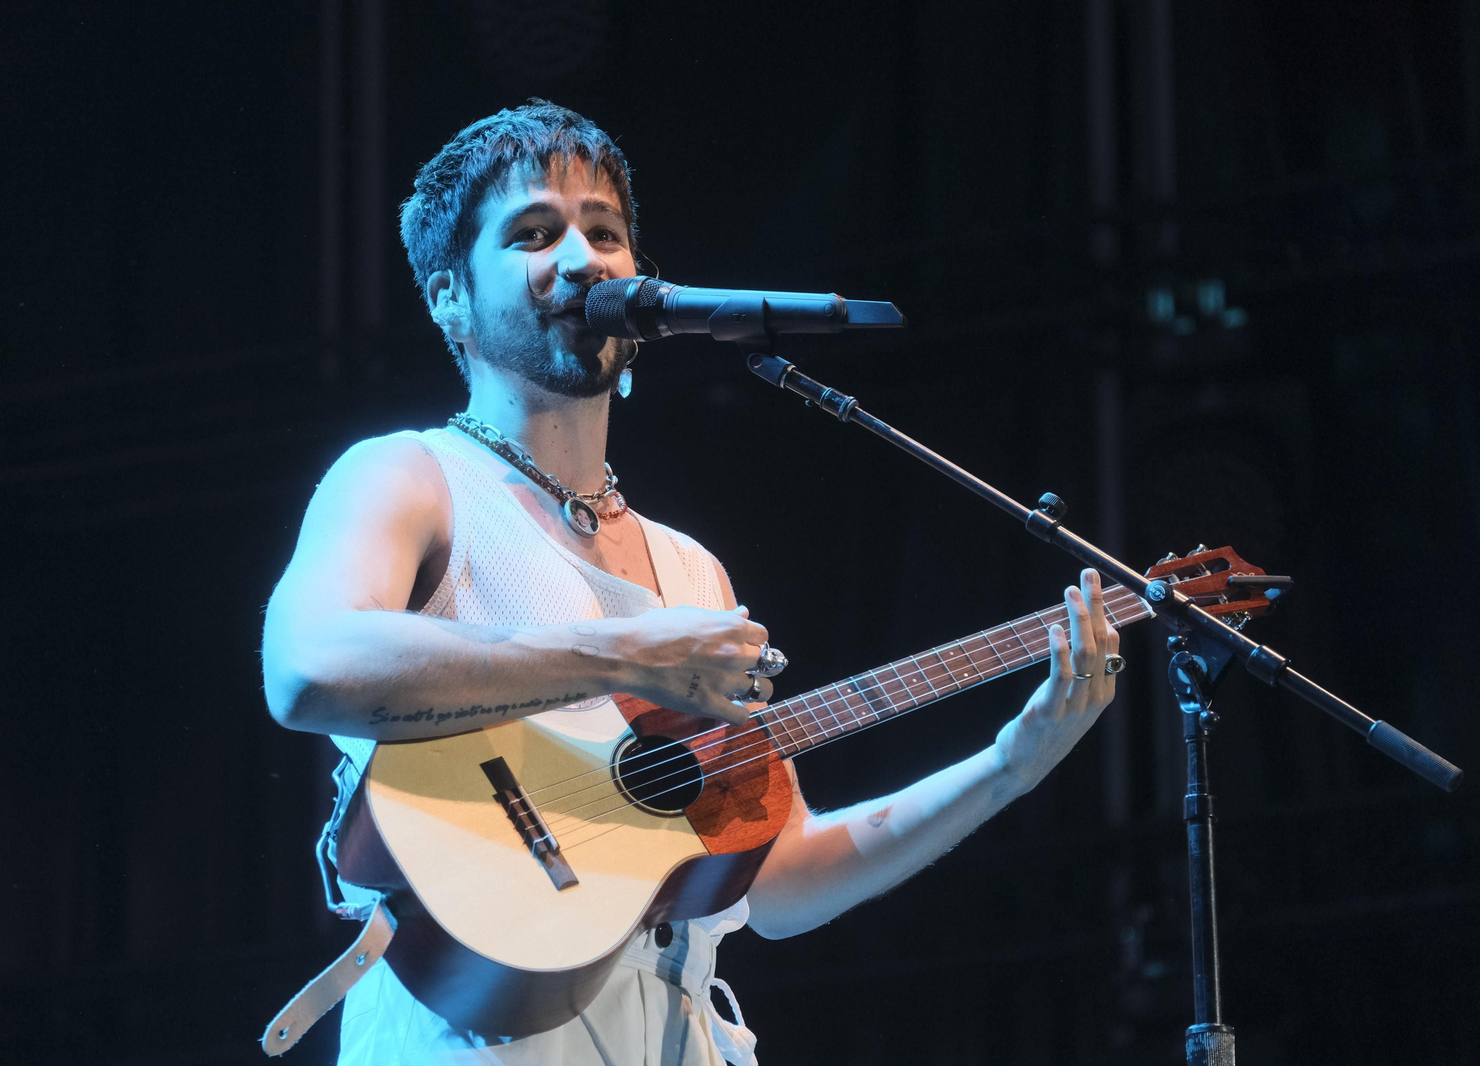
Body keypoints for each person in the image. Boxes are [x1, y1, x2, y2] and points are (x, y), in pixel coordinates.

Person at [261, 100, 1120, 1066]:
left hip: (675, 1033)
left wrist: (1008, 766)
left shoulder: (688, 571)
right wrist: (624, 655)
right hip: (471, 1028)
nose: (584, 259)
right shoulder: (408, 477)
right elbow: (309, 665)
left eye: (605, 230)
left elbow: (781, 882)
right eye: (536, 233)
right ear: (448, 297)